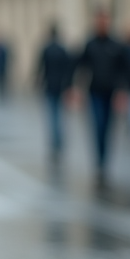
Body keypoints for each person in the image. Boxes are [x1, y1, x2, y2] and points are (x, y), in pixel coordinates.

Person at [76, 9, 128, 187]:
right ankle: (99, 162)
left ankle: (105, 162)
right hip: (95, 92)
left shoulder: (116, 45)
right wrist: (77, 89)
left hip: (111, 93)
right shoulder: (90, 44)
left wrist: (122, 92)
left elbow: (123, 70)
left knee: (108, 128)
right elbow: (81, 66)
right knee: (97, 126)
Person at [37, 25, 73, 160]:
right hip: (60, 86)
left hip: (50, 86)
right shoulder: (63, 50)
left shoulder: (46, 49)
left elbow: (41, 67)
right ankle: (59, 140)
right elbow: (68, 68)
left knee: (52, 115)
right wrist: (68, 85)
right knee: (59, 114)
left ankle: (54, 141)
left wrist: (38, 82)